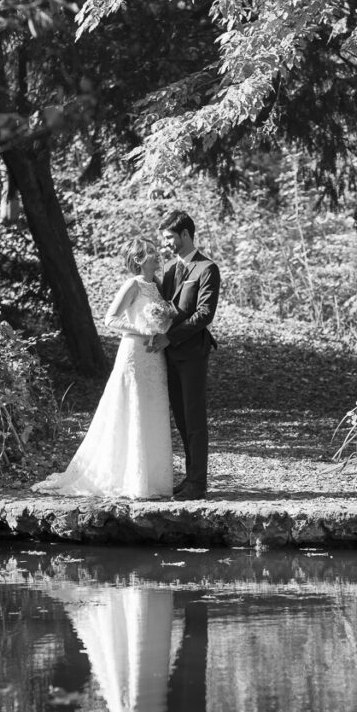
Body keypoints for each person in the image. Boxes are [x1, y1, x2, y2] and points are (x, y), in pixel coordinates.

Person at [32, 237, 175, 499]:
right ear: (139, 259)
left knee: (152, 409)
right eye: (151, 252)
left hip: (155, 356)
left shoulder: (158, 285)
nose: (157, 255)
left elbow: (164, 319)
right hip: (134, 353)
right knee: (131, 408)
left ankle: (152, 479)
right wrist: (141, 329)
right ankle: (130, 479)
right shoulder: (132, 285)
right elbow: (110, 319)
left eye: (156, 251)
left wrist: (162, 327)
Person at [149, 210, 220, 500]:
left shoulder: (207, 268)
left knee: (194, 418)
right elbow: (165, 306)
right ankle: (189, 477)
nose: (166, 243)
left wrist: (171, 337)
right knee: (180, 417)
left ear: (186, 234)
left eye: (169, 237)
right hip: (169, 354)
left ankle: (198, 484)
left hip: (192, 353)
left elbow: (204, 314)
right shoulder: (169, 269)